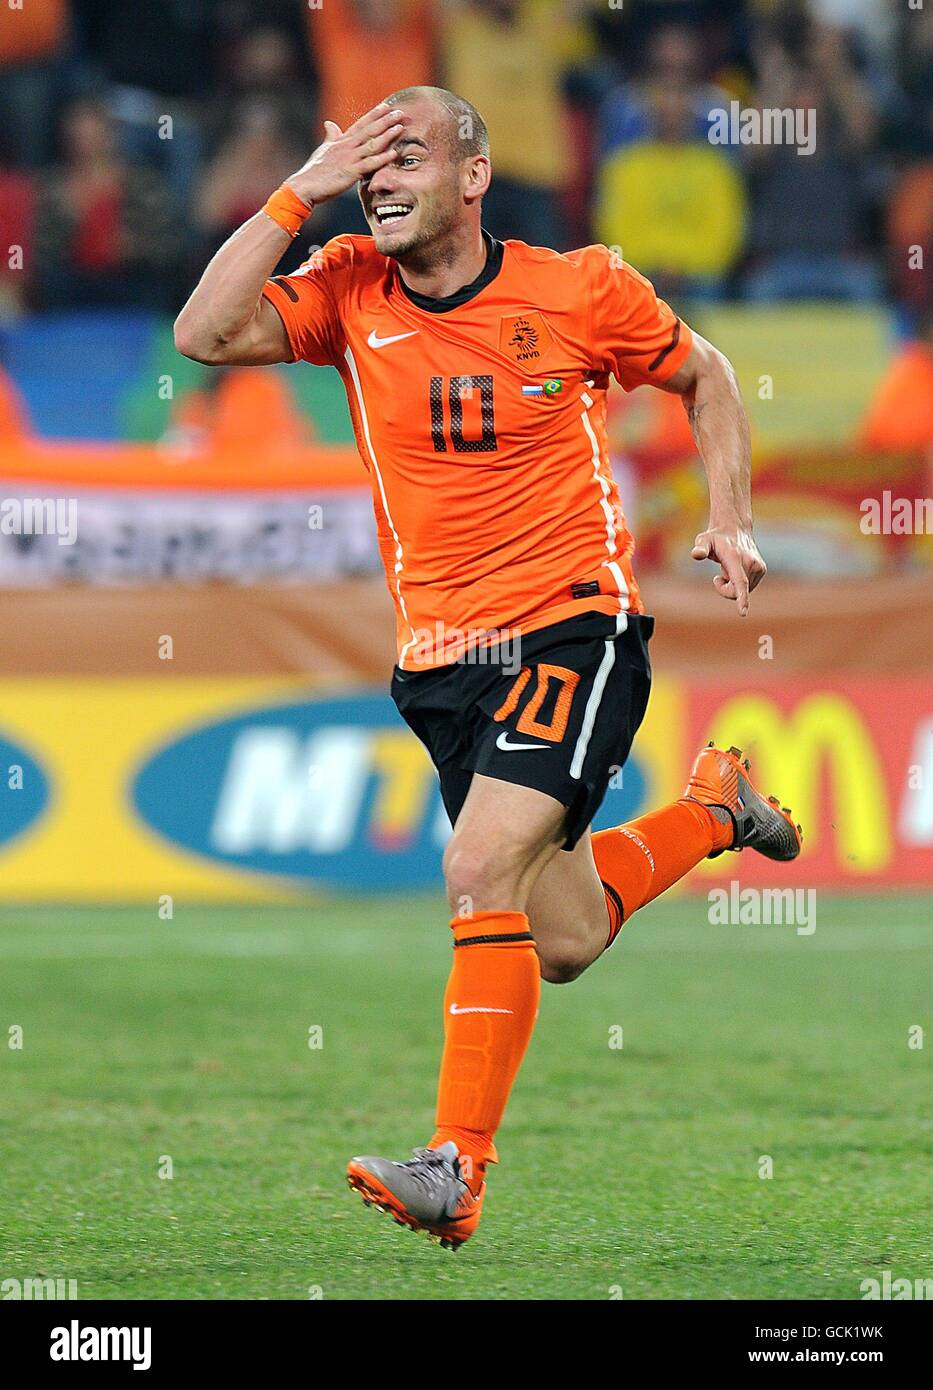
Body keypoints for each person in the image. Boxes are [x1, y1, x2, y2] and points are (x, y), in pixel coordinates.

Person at [174, 87, 802, 1249]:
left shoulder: (579, 290)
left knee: (476, 863)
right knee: (561, 939)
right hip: (442, 664)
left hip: (574, 624)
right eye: (368, 167)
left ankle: (454, 1166)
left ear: (475, 173)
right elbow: (202, 335)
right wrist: (295, 193)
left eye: (406, 155)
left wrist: (731, 515)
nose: (382, 179)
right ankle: (717, 806)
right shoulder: (352, 288)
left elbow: (706, 376)